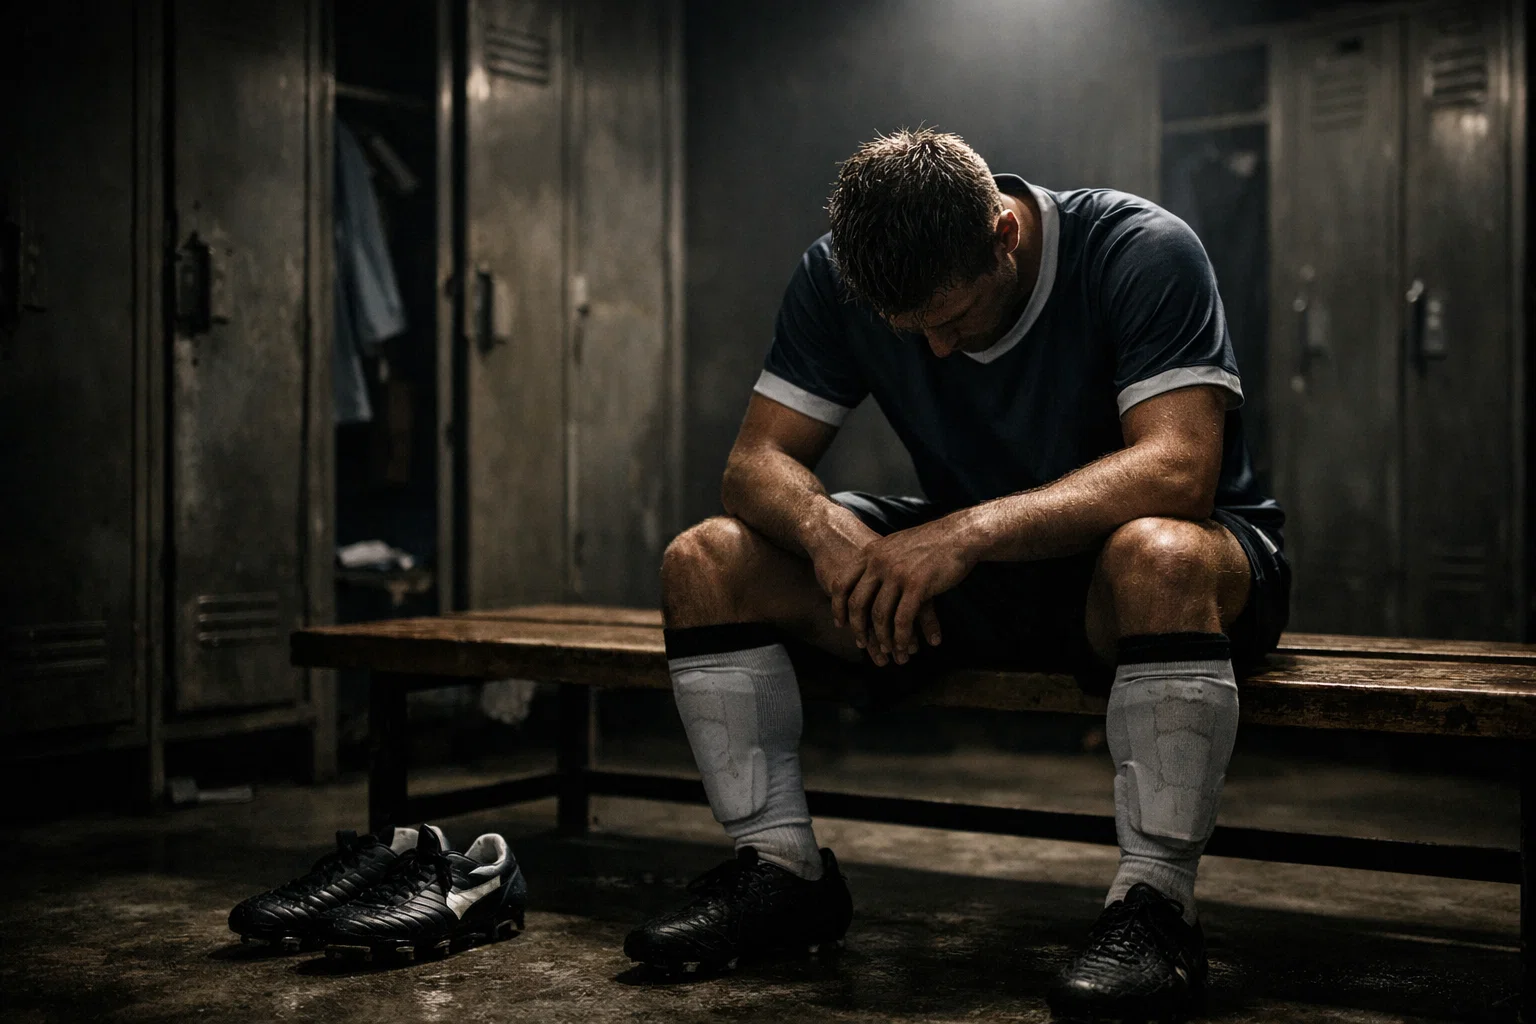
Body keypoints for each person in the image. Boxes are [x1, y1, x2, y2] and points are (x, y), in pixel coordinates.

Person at [623, 128, 1288, 1022]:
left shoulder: (1141, 249)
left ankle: (1157, 906)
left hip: (1173, 574)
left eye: (952, 318)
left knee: (1155, 551)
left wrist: (968, 530)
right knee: (707, 560)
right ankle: (781, 871)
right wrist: (826, 532)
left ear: (1004, 234)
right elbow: (754, 464)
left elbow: (1179, 470)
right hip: (983, 566)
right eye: (912, 332)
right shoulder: (836, 274)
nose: (936, 350)